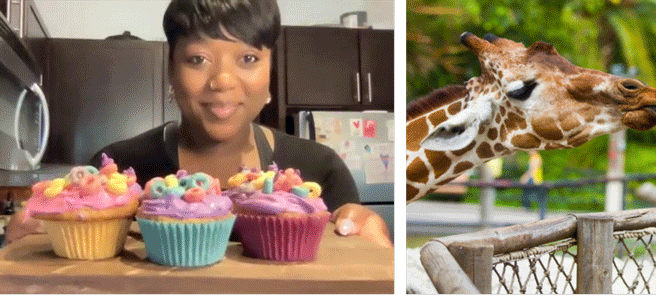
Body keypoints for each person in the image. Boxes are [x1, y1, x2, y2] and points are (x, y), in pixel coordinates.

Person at [7, 0, 391, 249]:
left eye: (248, 59)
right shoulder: (117, 171)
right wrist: (22, 248)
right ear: (171, 74)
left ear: (271, 76)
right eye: (197, 60)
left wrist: (370, 243)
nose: (222, 81)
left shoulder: (320, 169)